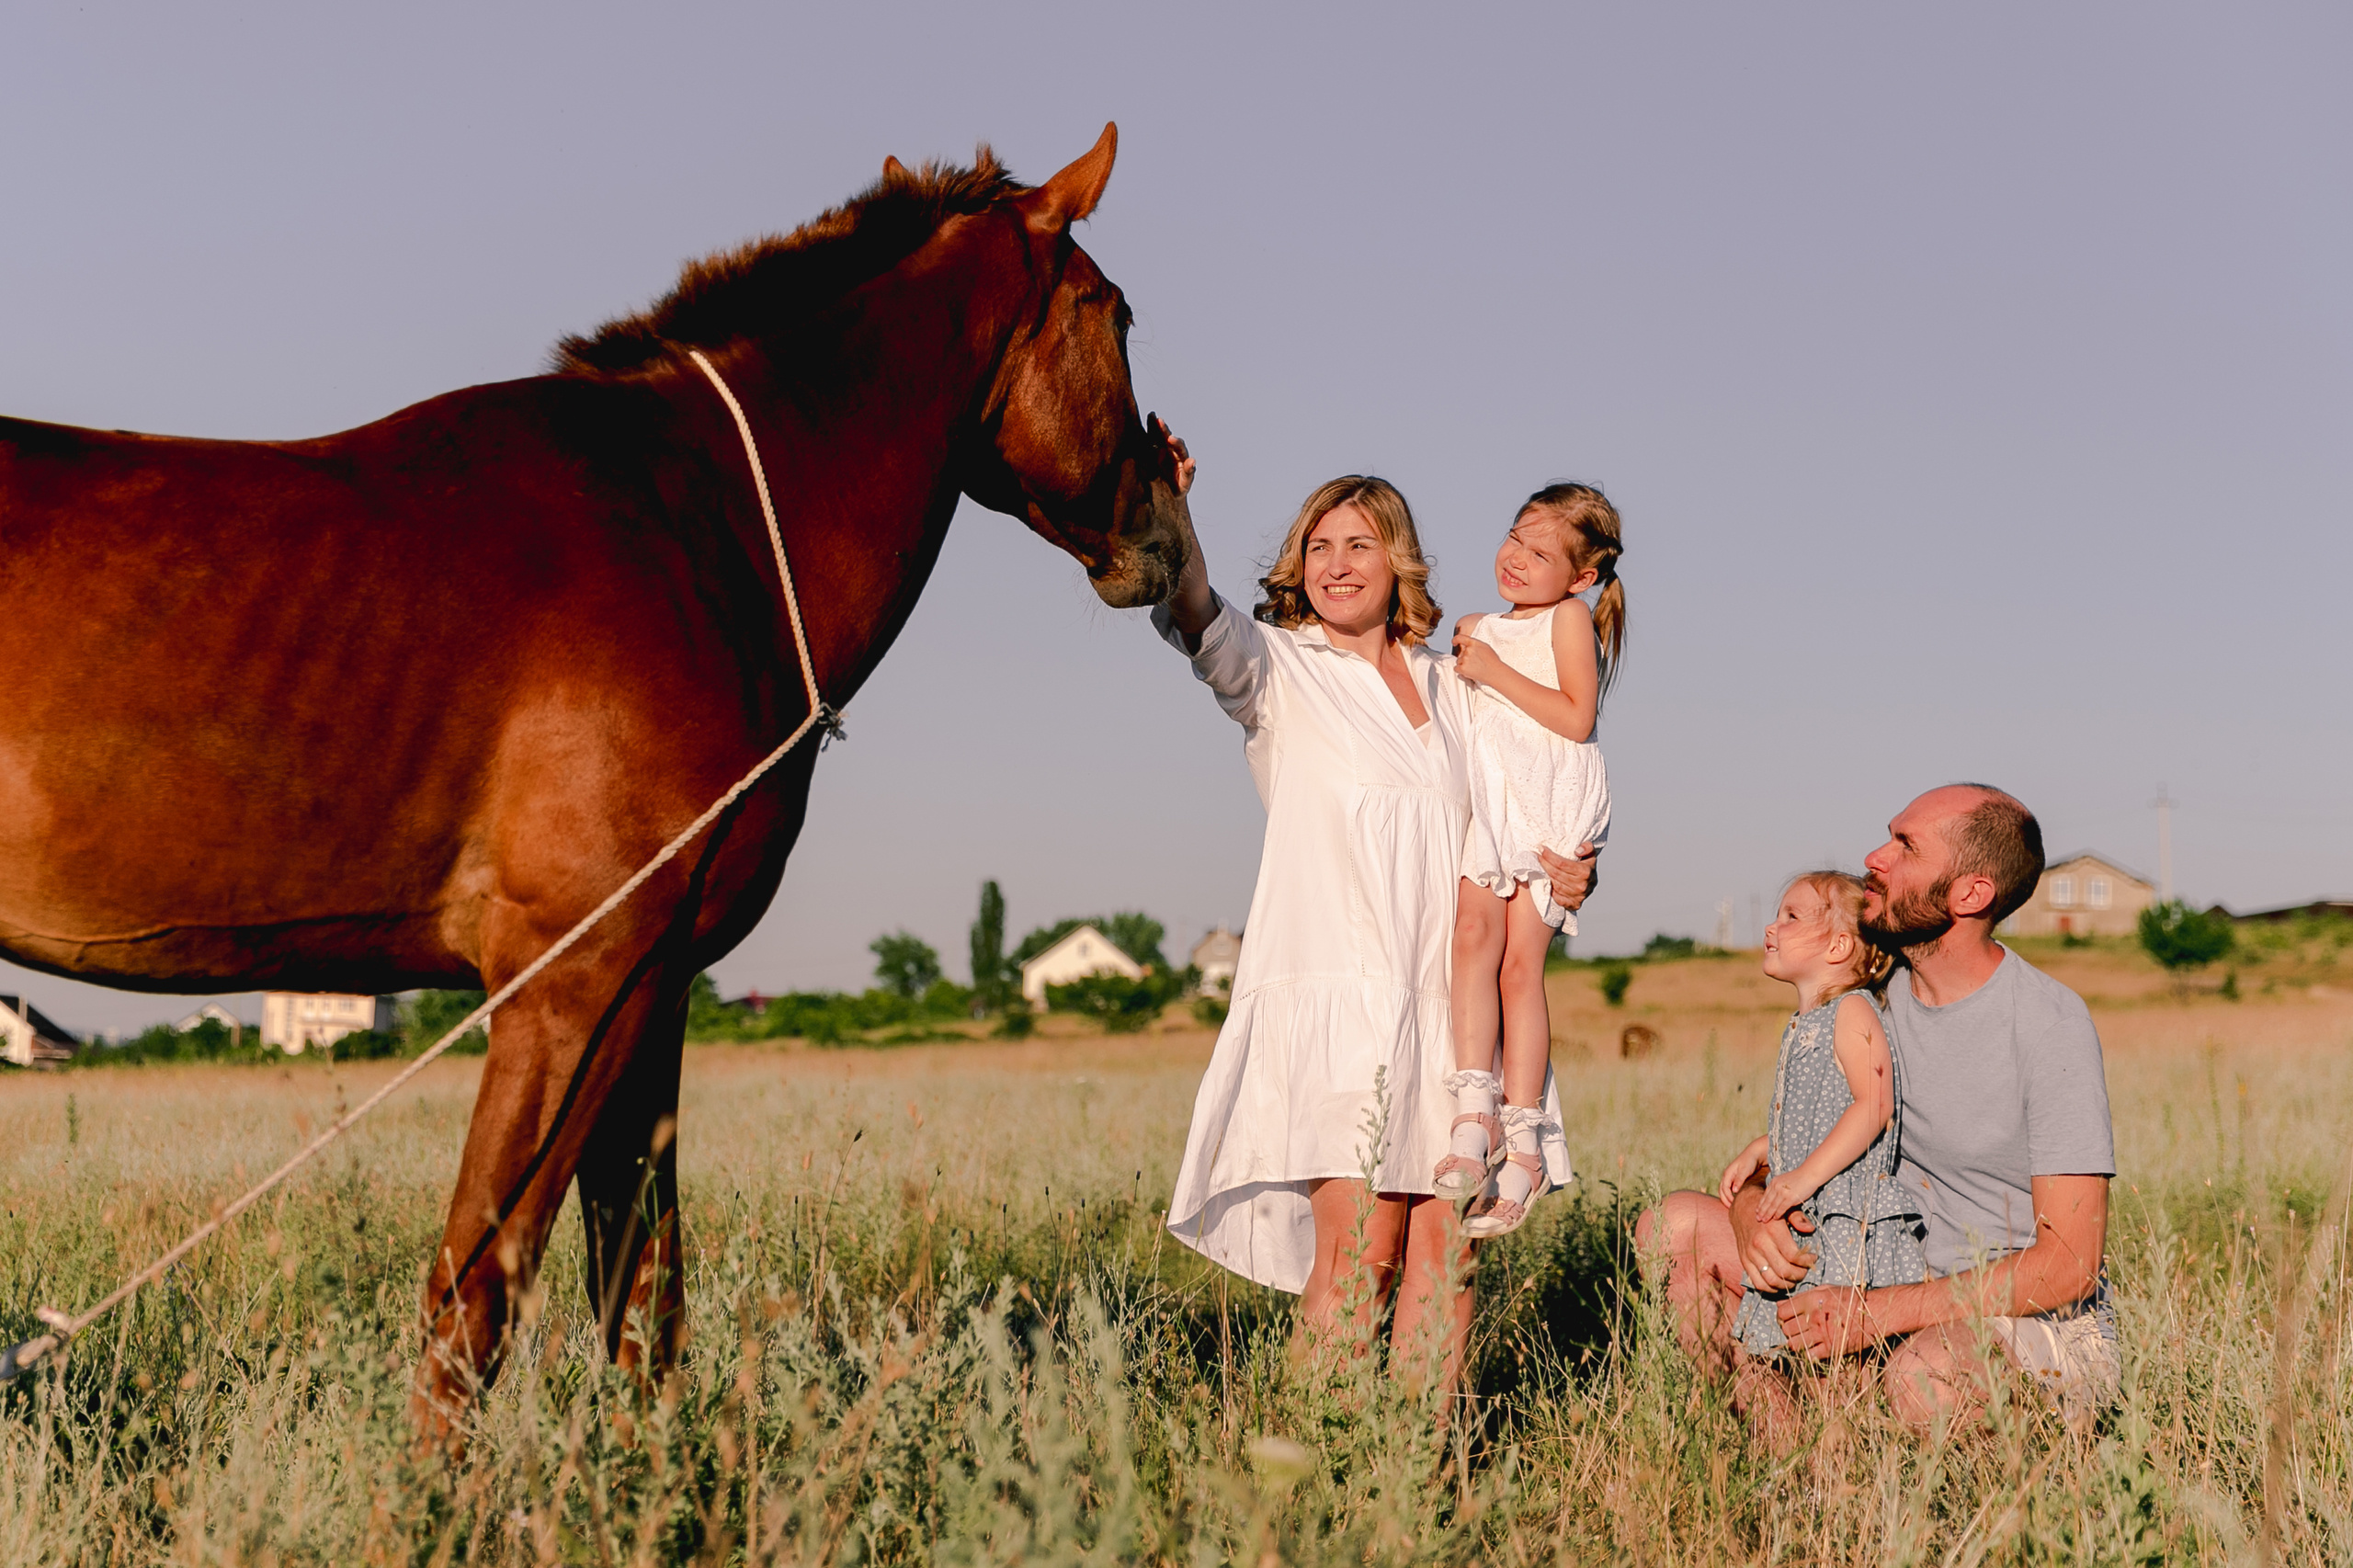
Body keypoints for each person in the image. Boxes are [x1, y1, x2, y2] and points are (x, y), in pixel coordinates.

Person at [1144, 417, 1597, 1382]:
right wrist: (1174, 511)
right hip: (1341, 1001)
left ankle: (1416, 1498)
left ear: (1399, 562)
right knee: (1360, 1258)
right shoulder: (1278, 668)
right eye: (1318, 545)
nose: (1337, 564)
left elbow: (1540, 783)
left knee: (1450, 1259)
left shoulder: (1463, 680)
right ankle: (1314, 1501)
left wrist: (1571, 864)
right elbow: (1191, 610)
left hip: (1456, 1016)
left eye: (1359, 544)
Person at [1639, 785, 2118, 1429]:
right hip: (1872, 1269)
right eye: (1888, 835)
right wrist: (1756, 1218)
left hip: (2012, 1318)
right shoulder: (1868, 1000)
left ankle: (1993, 1497)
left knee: (1926, 1378)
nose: (1875, 857)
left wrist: (1878, 1314)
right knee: (1673, 1230)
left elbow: (2069, 1266)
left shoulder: (2047, 1023)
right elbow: (1801, 1138)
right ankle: (1790, 1454)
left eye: (1905, 847)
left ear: (1969, 895)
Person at [1436, 484, 1622, 1239]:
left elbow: (1577, 717)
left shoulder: (1569, 618)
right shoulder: (1475, 626)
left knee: (1520, 969)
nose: (1516, 558)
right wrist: (1475, 655)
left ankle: (1525, 1143)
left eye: (1541, 554)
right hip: (1493, 801)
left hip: (1545, 803)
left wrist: (1490, 670)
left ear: (1580, 578)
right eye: (1515, 538)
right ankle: (1472, 1105)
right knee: (1472, 943)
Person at [1720, 872, 1922, 1359]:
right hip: (1815, 1200)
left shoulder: (1853, 1012)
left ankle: (1846, 1430)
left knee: (1837, 1348)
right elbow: (1822, 1112)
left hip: (1841, 1209)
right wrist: (1766, 1147)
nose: (1771, 928)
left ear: (1837, 947)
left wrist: (1802, 1178)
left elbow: (1874, 1105)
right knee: (1800, 1346)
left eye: (1791, 917)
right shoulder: (1810, 1020)